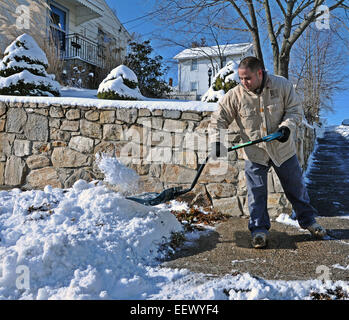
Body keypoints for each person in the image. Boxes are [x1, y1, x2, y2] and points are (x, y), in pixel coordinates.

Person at [209, 56, 327, 249]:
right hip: (255, 153)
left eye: (247, 78)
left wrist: (286, 128)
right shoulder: (235, 95)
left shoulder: (282, 85)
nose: (243, 83)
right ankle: (258, 231)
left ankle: (309, 221)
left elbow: (295, 111)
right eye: (240, 78)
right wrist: (217, 141)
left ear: (260, 73)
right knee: (256, 193)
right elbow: (218, 119)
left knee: (296, 187)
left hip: (282, 149)